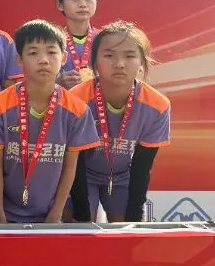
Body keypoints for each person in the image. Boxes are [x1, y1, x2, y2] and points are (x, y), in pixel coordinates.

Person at [0, 20, 100, 224]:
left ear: (64, 58)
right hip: (5, 215)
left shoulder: (78, 110)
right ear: (19, 60)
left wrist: (55, 215)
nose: (43, 60)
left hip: (51, 216)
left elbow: (70, 168)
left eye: (51, 52)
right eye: (33, 53)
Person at [69, 21, 170, 222]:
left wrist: (134, 215)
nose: (119, 64)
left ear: (142, 62)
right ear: (94, 62)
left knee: (127, 228)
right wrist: (81, 216)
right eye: (109, 55)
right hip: (81, 175)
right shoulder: (75, 100)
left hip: (124, 176)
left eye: (130, 56)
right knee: (79, 227)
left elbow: (142, 166)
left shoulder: (158, 106)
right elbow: (74, 161)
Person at [55, 0, 100, 90]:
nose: (83, 4)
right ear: (60, 5)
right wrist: (56, 83)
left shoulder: (105, 39)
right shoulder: (52, 40)